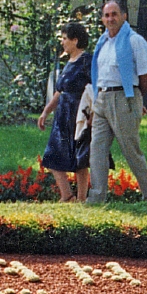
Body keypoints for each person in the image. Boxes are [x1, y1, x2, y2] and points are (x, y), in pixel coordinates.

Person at [86, 0, 147, 204]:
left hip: (124, 98)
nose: (110, 18)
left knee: (131, 151)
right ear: (102, 19)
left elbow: (146, 75)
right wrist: (96, 103)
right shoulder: (102, 42)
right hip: (101, 99)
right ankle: (96, 198)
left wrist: (135, 99)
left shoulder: (135, 41)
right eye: (106, 15)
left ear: (124, 16)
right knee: (97, 150)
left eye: (114, 14)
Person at [38, 22, 93, 202]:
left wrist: (93, 113)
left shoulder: (87, 61)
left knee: (80, 158)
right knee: (52, 156)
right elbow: (59, 91)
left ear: (75, 40)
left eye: (64, 38)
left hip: (79, 115)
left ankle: (82, 198)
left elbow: (95, 88)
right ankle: (67, 195)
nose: (62, 42)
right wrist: (46, 112)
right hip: (63, 115)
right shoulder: (67, 63)